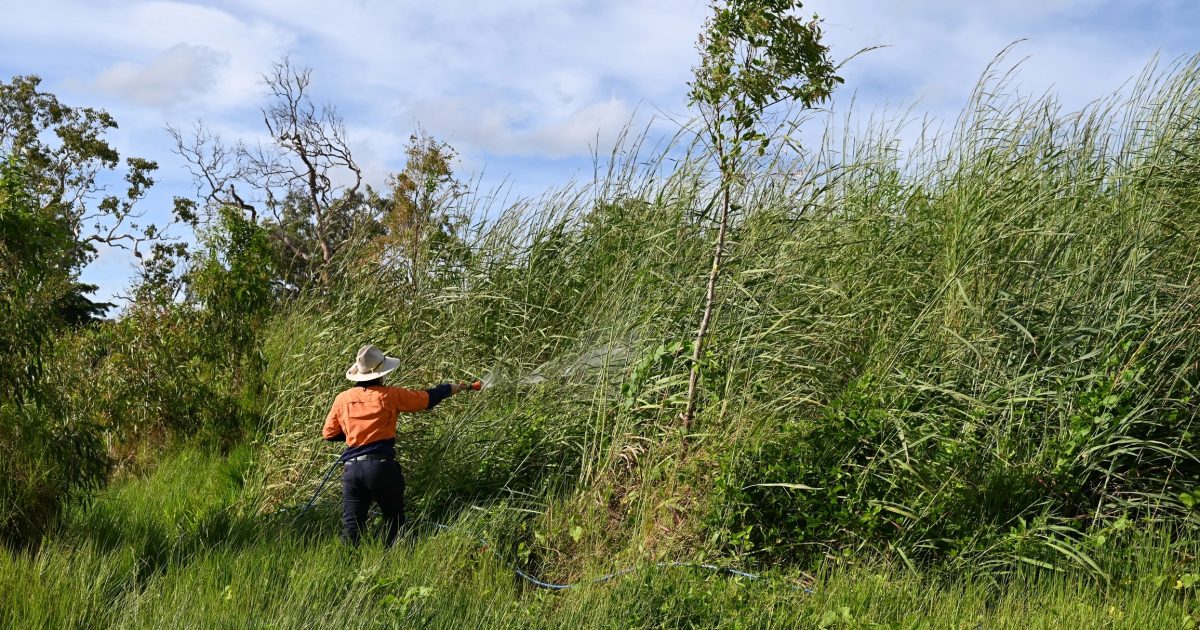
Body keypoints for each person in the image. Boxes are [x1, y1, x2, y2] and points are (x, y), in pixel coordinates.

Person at [323, 344, 475, 546]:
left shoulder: (342, 399)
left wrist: (355, 434)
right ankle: (394, 559)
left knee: (352, 527)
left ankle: (345, 567)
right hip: (381, 468)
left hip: (353, 469)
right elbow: (425, 399)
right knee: (395, 521)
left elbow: (329, 434)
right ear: (381, 372)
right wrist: (448, 388)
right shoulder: (390, 395)